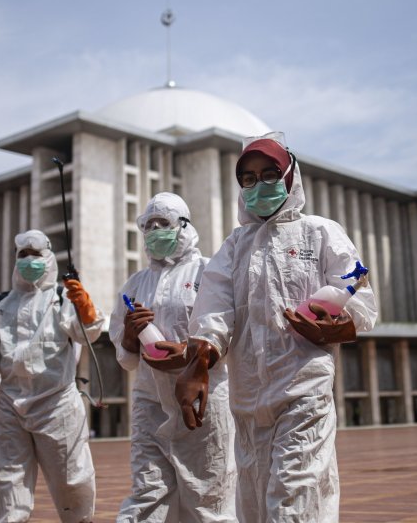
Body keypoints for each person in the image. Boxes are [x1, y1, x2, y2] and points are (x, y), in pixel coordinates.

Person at [175, 132, 377, 522]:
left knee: (293, 497)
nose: (258, 185)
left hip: (304, 389)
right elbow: (213, 313)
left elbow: (360, 298)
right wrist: (197, 366)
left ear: (289, 178)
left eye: (270, 174)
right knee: (253, 502)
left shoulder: (319, 232)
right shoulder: (234, 247)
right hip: (247, 399)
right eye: (248, 178)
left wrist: (336, 327)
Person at [109, 192, 236, 522]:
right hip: (150, 401)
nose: (154, 231)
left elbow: (229, 329)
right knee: (147, 492)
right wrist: (129, 333)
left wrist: (189, 355)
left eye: (162, 223)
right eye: (148, 226)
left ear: (183, 226)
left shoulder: (210, 272)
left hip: (202, 403)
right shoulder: (136, 284)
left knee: (209, 496)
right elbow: (126, 357)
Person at [0, 229, 103, 523]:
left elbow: (87, 334)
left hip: (57, 405)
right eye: (23, 255)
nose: (29, 261)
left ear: (49, 258)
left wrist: (86, 309)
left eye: (36, 255)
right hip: (9, 406)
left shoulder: (63, 296)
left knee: (71, 479)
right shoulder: (0, 304)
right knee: (5, 481)